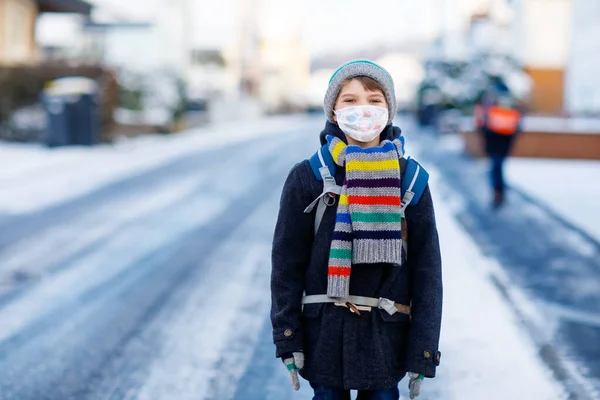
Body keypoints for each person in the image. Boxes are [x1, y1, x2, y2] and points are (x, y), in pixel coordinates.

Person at [270, 60, 443, 400]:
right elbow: (286, 266)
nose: (363, 109)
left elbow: (428, 272)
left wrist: (423, 349)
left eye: (375, 100)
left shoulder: (410, 180)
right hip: (323, 335)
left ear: (389, 111)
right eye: (350, 100)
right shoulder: (308, 177)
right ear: (333, 111)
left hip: (386, 339)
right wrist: (288, 337)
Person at [476, 84, 523, 208]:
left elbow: (483, 125)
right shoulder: (494, 107)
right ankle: (499, 191)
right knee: (497, 166)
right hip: (498, 142)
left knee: (496, 166)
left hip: (500, 142)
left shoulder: (492, 107)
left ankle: (499, 191)